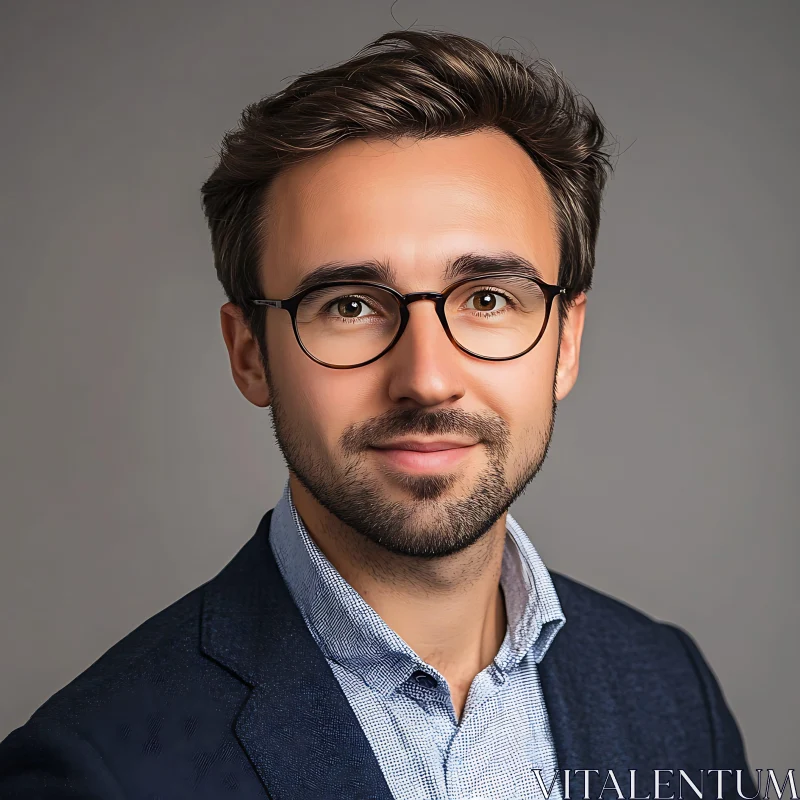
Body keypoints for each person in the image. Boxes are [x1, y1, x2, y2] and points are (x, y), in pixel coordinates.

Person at [0, 29, 757, 800]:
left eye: (488, 299)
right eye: (351, 305)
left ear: (565, 342)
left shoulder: (671, 690)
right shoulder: (92, 773)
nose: (426, 379)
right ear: (250, 355)